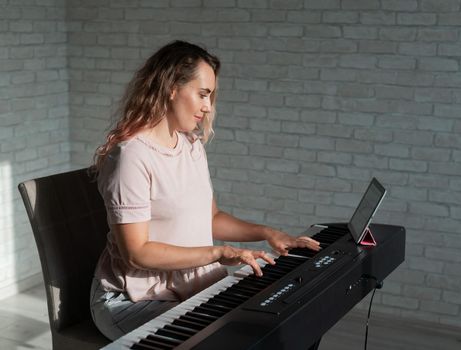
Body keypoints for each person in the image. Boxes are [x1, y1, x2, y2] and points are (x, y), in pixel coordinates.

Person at [90, 40, 320, 341]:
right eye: (202, 94)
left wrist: (267, 232)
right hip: (134, 300)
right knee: (231, 338)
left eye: (210, 96)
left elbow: (211, 218)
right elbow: (137, 253)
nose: (207, 106)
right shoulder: (132, 156)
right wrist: (219, 252)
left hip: (190, 289)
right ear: (172, 87)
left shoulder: (191, 146)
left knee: (285, 321)